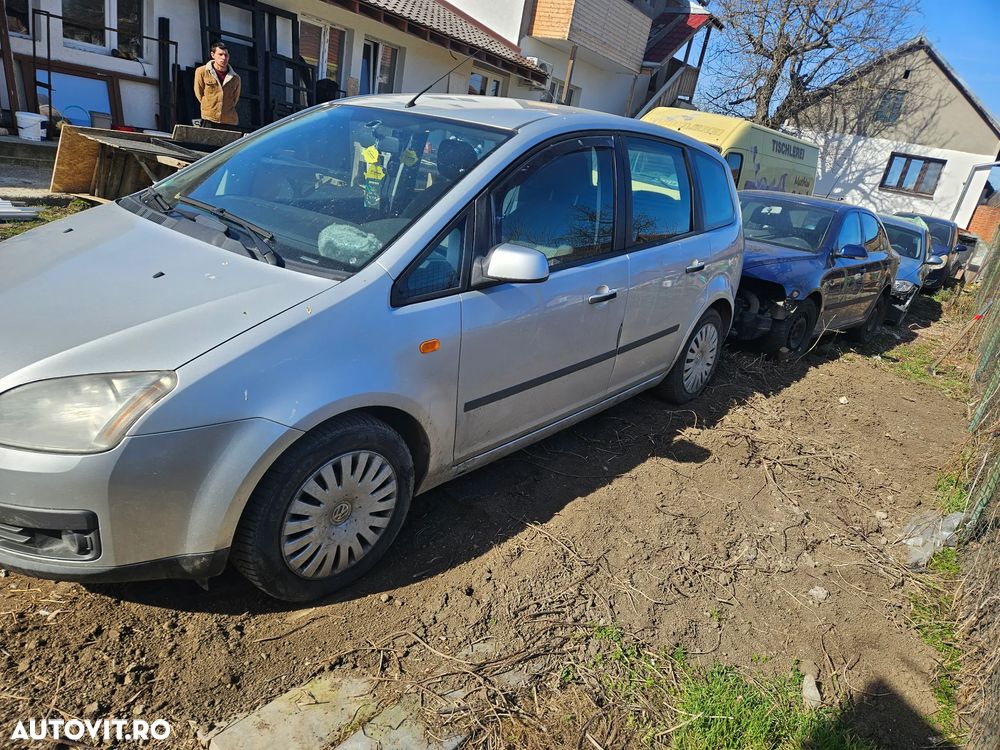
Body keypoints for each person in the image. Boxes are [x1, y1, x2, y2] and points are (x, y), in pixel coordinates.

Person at [194, 41, 241, 129]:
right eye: (220, 54)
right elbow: (199, 94)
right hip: (209, 118)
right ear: (213, 55)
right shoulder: (202, 72)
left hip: (229, 121)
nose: (224, 58)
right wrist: (210, 106)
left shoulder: (235, 78)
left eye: (226, 55)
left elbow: (235, 98)